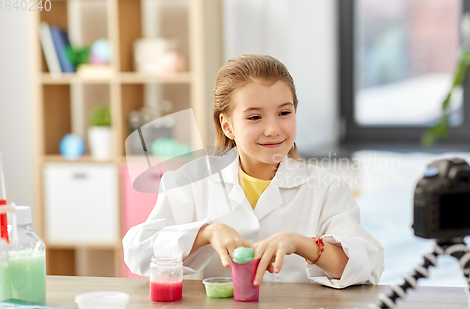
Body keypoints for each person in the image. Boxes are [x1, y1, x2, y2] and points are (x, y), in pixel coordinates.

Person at [123, 54, 384, 288]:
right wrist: (204, 234)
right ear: (227, 126)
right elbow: (138, 253)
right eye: (255, 117)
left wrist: (302, 244)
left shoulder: (326, 188)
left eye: (284, 112)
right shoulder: (189, 181)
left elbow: (367, 266)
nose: (273, 129)